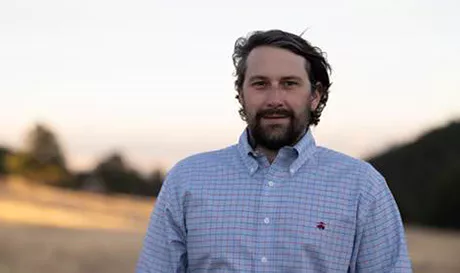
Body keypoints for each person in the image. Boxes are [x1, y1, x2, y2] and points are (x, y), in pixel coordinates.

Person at [136, 29, 413, 272]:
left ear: (315, 96)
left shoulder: (363, 187)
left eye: (289, 84)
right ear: (241, 93)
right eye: (260, 84)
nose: (274, 99)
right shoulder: (187, 179)